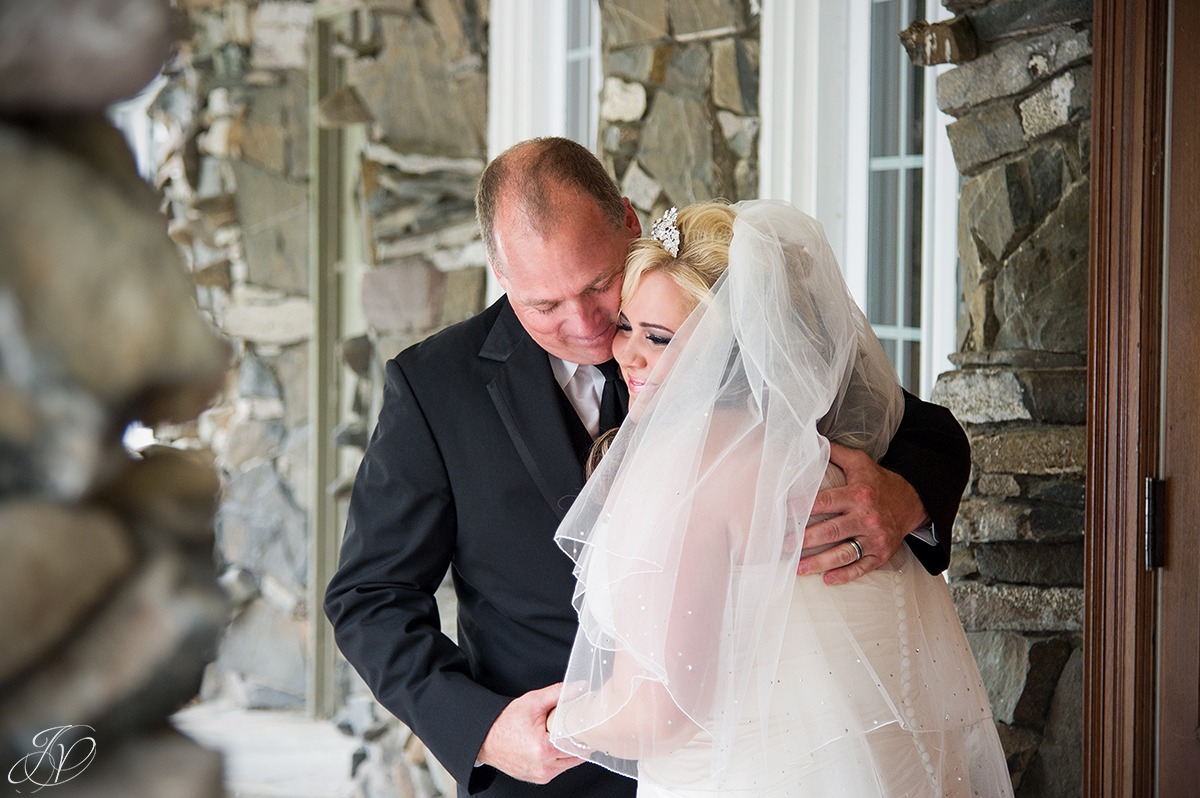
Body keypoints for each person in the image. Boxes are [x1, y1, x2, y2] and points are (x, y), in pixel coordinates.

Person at [324, 137, 971, 798]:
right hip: (555, 780)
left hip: (757, 762)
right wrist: (484, 729)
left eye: (599, 285)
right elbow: (368, 598)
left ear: (630, 225)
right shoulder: (436, 389)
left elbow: (919, 427)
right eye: (543, 305)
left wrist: (904, 495)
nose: (585, 324)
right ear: (502, 276)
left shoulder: (704, 311)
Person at [548, 200, 1011, 796]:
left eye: (659, 338)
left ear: (734, 348)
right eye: (626, 327)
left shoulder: (688, 464)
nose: (625, 355)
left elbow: (663, 712)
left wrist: (563, 720)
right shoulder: (830, 449)